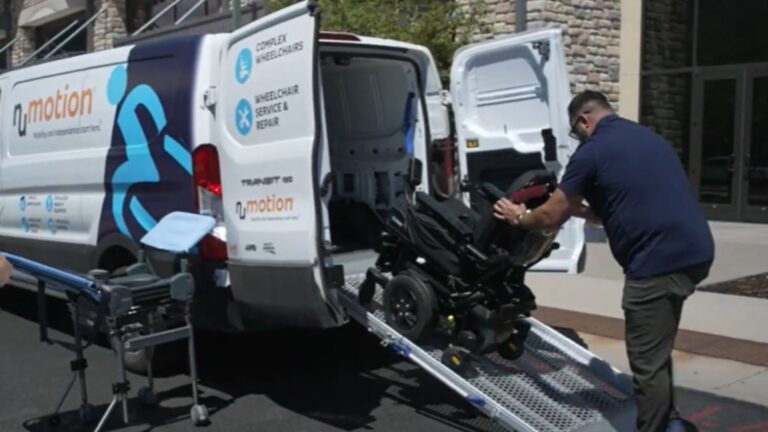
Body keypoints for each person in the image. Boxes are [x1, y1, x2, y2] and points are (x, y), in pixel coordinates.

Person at [493, 90, 714, 432]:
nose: (578, 137)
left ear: (584, 119)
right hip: (695, 252)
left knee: (646, 363)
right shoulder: (646, 137)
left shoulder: (592, 151)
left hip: (657, 262)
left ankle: (657, 427)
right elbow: (607, 210)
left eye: (575, 130)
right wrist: (572, 207)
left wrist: (520, 217)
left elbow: (549, 218)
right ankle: (670, 420)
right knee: (656, 348)